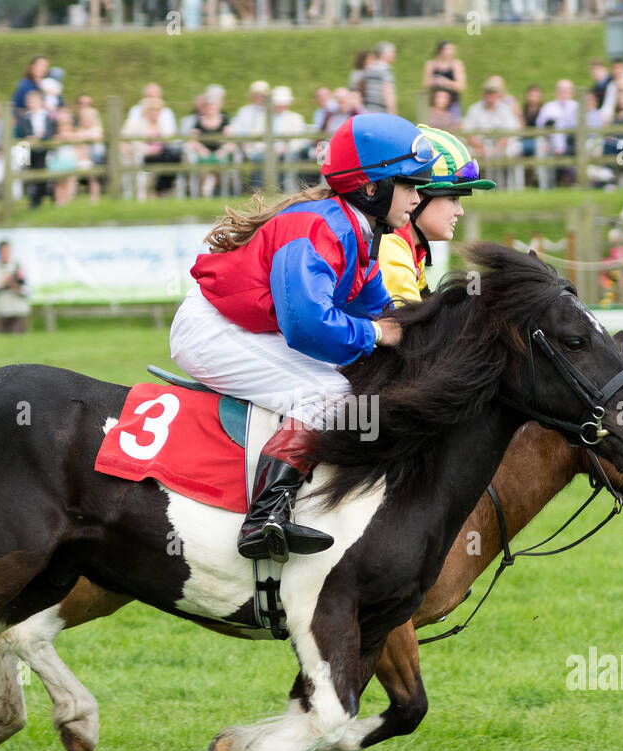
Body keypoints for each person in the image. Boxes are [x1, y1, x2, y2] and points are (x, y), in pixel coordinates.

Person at [171, 113, 435, 561]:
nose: (417, 197)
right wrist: (377, 334)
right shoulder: (318, 225)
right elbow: (307, 324)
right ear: (372, 188)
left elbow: (388, 316)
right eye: (409, 185)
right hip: (211, 330)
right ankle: (264, 517)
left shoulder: (361, 234)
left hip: (241, 327)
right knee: (330, 392)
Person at [377, 125, 495, 305]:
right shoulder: (390, 247)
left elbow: (428, 308)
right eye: (453, 199)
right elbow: (413, 330)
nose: (460, 211)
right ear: (418, 195)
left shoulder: (409, 243)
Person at [0, 240, 30, 333]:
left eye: (7, 251)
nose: (5, 254)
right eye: (3, 251)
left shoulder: (18, 266)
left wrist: (17, 285)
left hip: (18, 310)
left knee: (19, 343)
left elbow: (28, 290)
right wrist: (4, 282)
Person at [423, 41, 466, 118]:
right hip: (435, 103)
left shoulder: (456, 64)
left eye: (452, 49)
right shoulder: (431, 64)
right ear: (440, 50)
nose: (451, 52)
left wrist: (445, 82)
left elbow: (461, 86)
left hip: (452, 102)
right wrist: (435, 81)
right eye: (448, 49)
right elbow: (425, 85)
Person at [361, 41, 397, 114]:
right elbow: (388, 93)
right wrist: (393, 113)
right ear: (383, 54)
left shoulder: (370, 68)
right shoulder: (385, 69)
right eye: (392, 52)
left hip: (368, 110)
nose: (394, 54)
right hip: (382, 112)